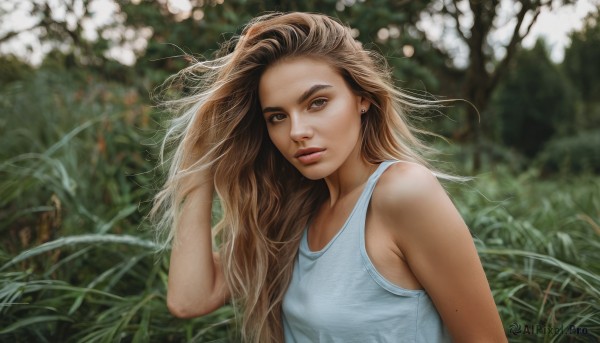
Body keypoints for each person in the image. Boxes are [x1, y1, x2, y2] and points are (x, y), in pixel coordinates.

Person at [153, 12, 507, 343]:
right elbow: (189, 300)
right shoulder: (291, 210)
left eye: (317, 103)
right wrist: (199, 169)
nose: (297, 131)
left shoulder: (403, 192)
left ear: (362, 98)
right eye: (277, 116)